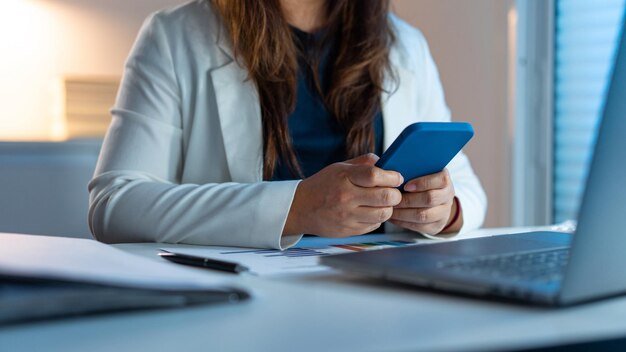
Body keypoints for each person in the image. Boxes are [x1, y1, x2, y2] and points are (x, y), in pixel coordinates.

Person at [88, 0, 487, 249]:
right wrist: (296, 209)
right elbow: (115, 204)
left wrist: (442, 210)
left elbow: (468, 190)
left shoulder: (405, 45)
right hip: (246, 302)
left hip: (386, 294)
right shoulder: (174, 37)